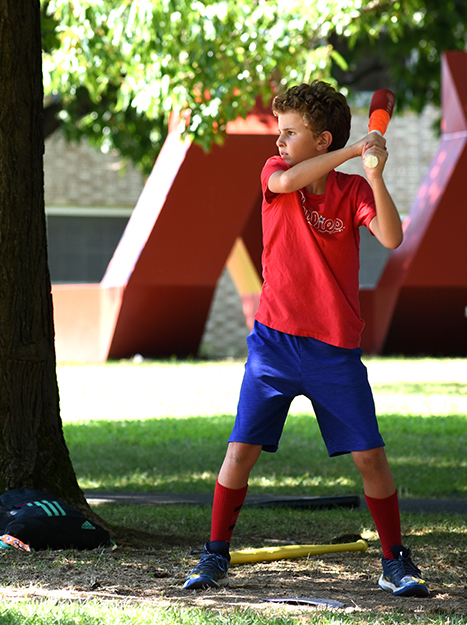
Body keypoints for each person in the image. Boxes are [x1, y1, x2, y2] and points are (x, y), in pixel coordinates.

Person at [183, 80, 429, 598]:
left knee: (371, 458)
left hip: (333, 349)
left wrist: (374, 173)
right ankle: (215, 554)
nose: (278, 141)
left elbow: (391, 236)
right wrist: (354, 147)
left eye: (289, 132)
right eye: (279, 131)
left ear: (320, 140)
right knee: (240, 451)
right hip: (273, 344)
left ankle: (394, 560)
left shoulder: (353, 191)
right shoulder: (277, 173)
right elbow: (286, 180)